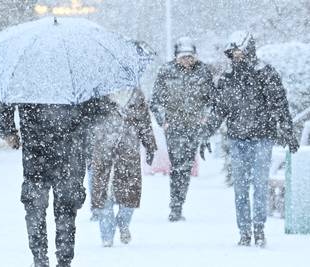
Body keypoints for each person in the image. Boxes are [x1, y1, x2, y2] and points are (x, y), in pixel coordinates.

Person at [201, 31, 299, 247]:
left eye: (240, 51)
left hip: (262, 138)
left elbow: (279, 104)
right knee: (241, 188)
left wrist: (288, 131)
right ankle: (244, 231)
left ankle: (259, 229)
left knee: (260, 186)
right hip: (237, 139)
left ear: (249, 49)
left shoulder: (265, 73)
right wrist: (206, 132)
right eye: (233, 52)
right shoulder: (227, 78)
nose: (237, 56)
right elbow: (219, 109)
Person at [0, 98, 106, 267]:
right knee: (63, 209)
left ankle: (41, 258)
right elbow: (95, 107)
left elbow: (5, 100)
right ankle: (62, 259)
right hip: (68, 150)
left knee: (37, 207)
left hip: (37, 150)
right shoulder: (75, 76)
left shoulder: (24, 76)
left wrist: (9, 131)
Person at [150, 37, 215, 222]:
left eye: (190, 57)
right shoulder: (166, 71)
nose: (187, 60)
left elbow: (212, 100)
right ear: (177, 57)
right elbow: (155, 102)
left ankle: (179, 203)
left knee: (186, 166)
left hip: (194, 126)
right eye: (183, 57)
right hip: (174, 127)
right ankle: (175, 207)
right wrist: (164, 120)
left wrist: (206, 118)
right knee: (177, 166)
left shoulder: (203, 72)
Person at [91, 89, 157, 247]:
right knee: (103, 196)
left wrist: (150, 146)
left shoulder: (137, 95)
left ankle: (123, 222)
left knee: (129, 195)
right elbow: (86, 121)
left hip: (128, 153)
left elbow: (144, 122)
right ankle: (107, 235)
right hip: (102, 151)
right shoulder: (96, 94)